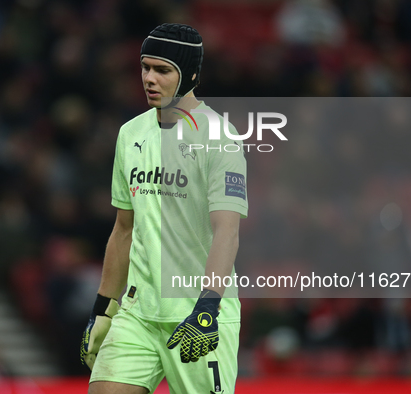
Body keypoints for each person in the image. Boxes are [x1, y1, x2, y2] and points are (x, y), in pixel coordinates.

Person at [80, 23, 248, 394]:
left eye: (162, 70)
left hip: (197, 316)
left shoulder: (219, 138)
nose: (149, 79)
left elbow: (227, 231)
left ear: (189, 75)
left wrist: (208, 308)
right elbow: (124, 228)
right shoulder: (131, 134)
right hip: (138, 314)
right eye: (145, 67)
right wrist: (104, 307)